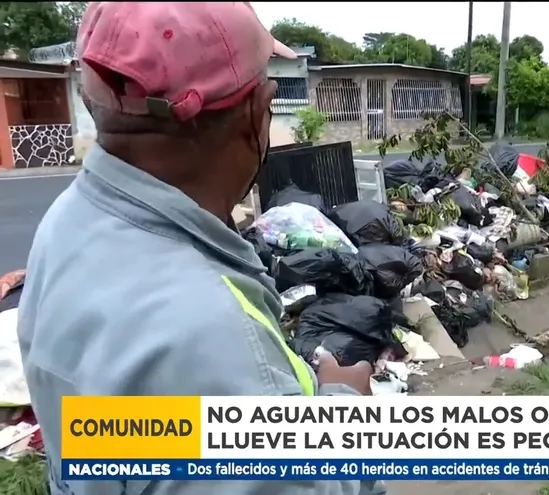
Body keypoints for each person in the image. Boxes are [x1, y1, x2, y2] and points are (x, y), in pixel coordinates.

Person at [16, 3, 381, 494]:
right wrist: (345, 409)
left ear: (93, 101)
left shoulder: (68, 223)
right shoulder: (211, 334)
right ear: (258, 110)